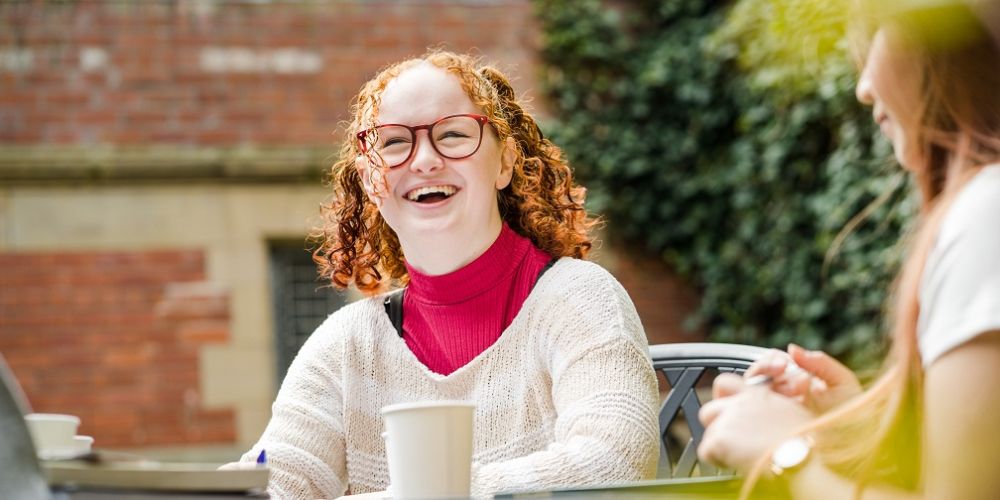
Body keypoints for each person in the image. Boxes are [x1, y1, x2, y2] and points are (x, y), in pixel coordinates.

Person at [233, 51, 660, 498]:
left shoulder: (581, 299)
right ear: (370, 180)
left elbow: (615, 460)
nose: (424, 161)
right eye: (395, 143)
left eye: (453, 134)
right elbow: (277, 480)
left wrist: (434, 490)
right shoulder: (346, 345)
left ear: (504, 163)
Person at [697, 1, 1000, 498]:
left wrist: (787, 458)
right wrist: (852, 427)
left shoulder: (987, 213)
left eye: (877, 32)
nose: (862, 89)